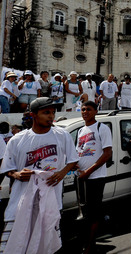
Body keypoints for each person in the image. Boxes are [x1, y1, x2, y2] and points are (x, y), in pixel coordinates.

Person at [0, 97, 78, 253]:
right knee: (13, 246)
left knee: (46, 247)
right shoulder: (17, 140)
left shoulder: (62, 135)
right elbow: (7, 169)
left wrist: (61, 174)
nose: (51, 116)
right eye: (46, 112)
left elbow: (73, 160)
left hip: (50, 203)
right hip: (20, 204)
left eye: (53, 112)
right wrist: (17, 175)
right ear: (33, 114)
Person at [76, 100, 113, 254]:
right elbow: (79, 151)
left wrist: (88, 172)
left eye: (89, 109)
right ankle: (86, 241)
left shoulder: (101, 128)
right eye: (83, 109)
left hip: (95, 177)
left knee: (93, 213)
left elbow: (107, 154)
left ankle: (91, 245)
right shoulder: (80, 131)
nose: (85, 112)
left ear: (96, 111)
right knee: (83, 213)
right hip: (82, 178)